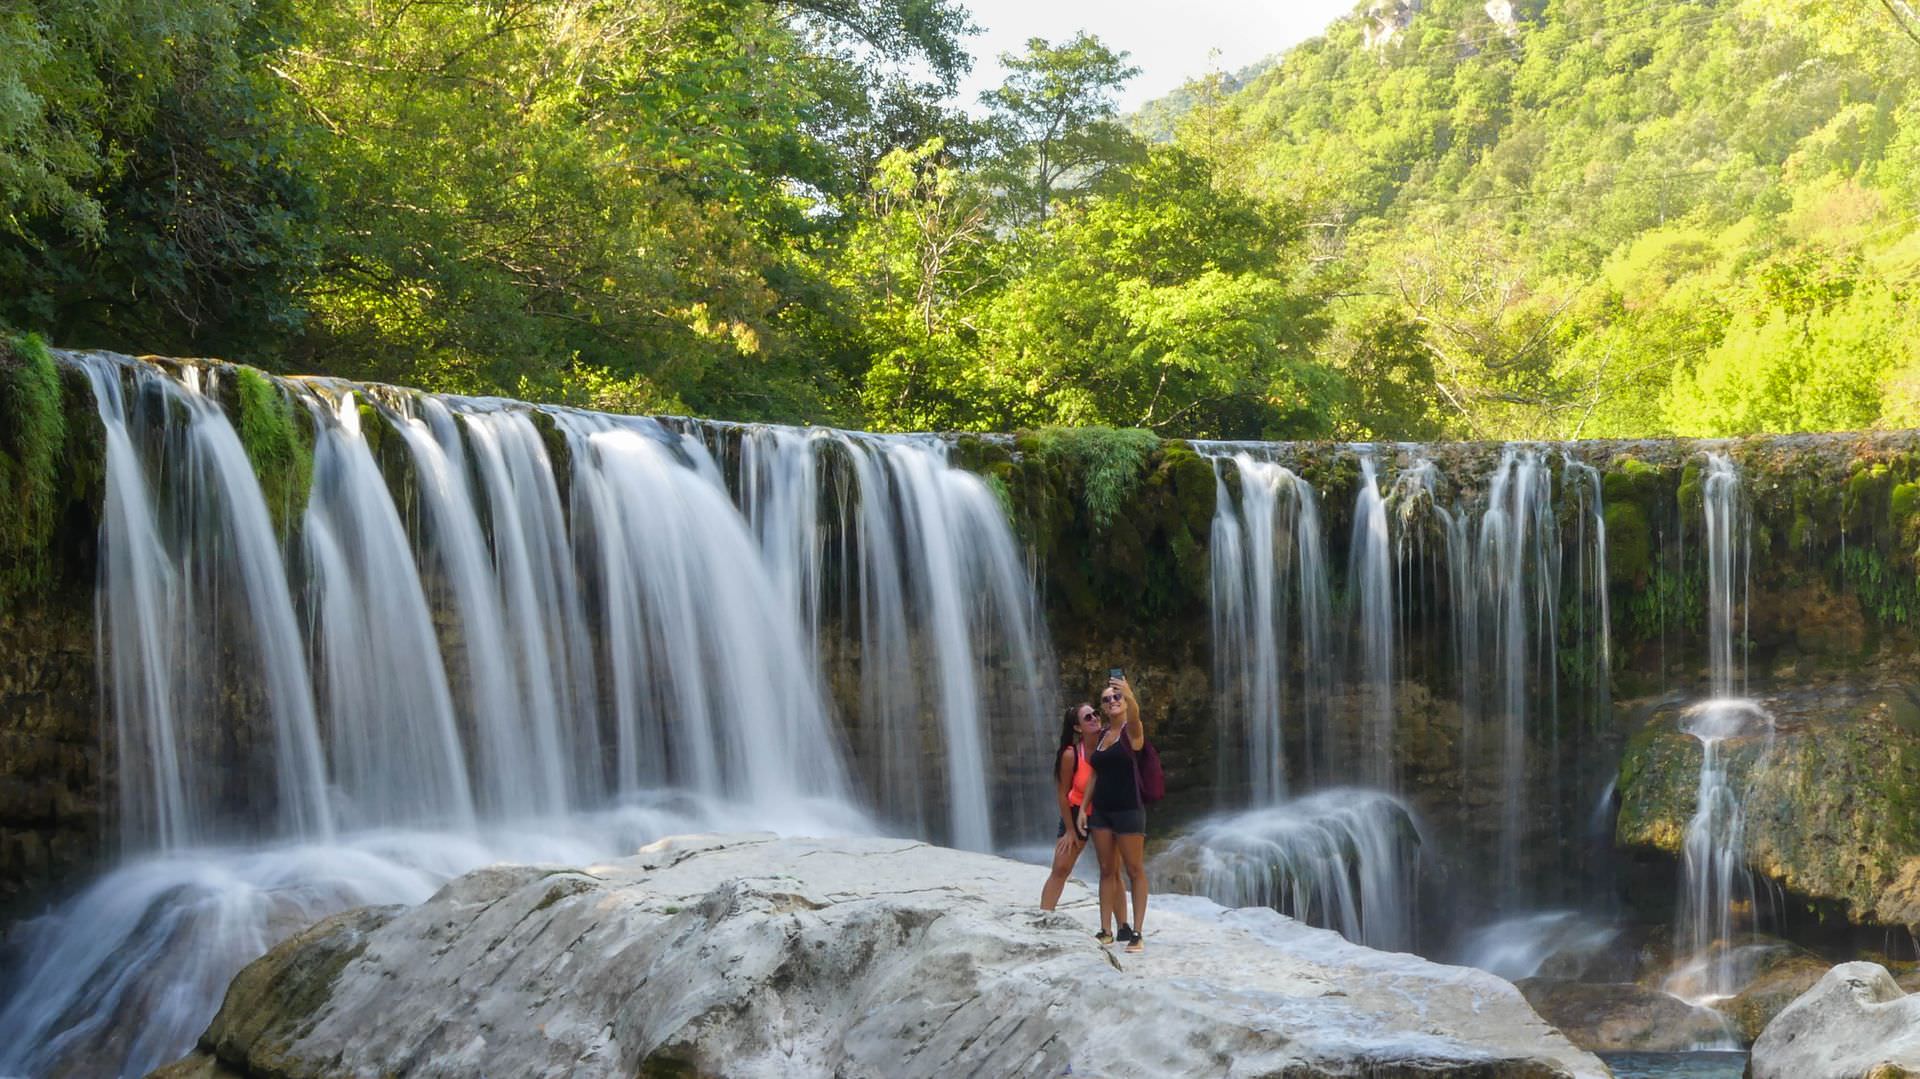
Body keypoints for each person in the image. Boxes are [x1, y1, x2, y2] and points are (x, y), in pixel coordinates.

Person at [1082, 675, 1148, 953]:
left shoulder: (1131, 732)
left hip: (1128, 809)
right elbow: (1095, 774)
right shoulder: (1101, 736)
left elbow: (1134, 717)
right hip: (1102, 810)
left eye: (1116, 697)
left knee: (1134, 870)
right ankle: (1106, 930)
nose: (1111, 702)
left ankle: (1137, 932)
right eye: (1106, 699)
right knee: (1107, 870)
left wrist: (1129, 693)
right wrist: (1084, 810)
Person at [1039, 702, 1101, 910]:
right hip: (1075, 813)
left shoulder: (1109, 745)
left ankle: (1120, 928)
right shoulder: (1071, 755)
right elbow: (1062, 793)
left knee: (1111, 869)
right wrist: (1070, 830)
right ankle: (1045, 915)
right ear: (1077, 728)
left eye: (1095, 714)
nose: (1094, 718)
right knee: (1061, 868)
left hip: (1104, 812)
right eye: (1088, 718)